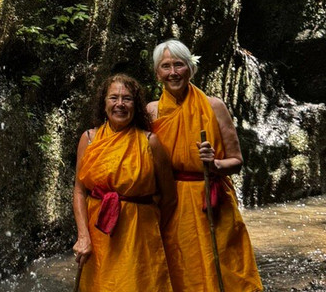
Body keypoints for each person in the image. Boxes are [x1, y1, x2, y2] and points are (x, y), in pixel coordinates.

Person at [148, 40, 263, 292]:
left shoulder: (213, 106)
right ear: (158, 73)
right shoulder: (152, 113)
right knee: (179, 267)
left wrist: (214, 164)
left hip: (211, 199)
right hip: (171, 202)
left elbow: (236, 162)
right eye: (166, 66)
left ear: (190, 68)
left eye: (179, 64)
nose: (173, 72)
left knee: (223, 266)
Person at [73, 73, 176, 292]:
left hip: (139, 234)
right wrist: (83, 236)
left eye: (127, 98)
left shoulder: (150, 142)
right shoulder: (89, 139)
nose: (120, 104)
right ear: (104, 103)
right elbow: (80, 191)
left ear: (135, 105)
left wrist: (150, 228)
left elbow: (169, 197)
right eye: (114, 98)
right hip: (98, 234)